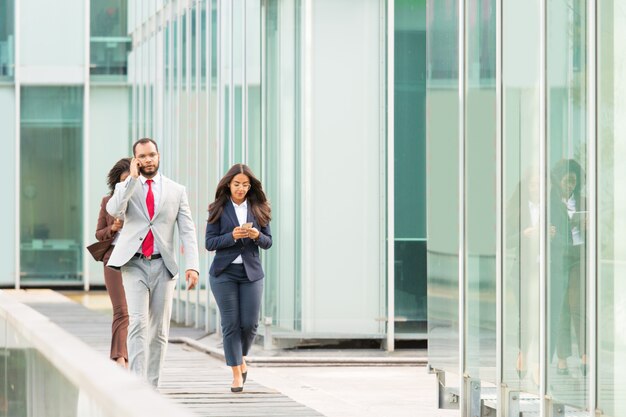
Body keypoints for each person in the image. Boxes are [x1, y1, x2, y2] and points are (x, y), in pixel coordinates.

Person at [106, 138, 200, 387]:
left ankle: (152, 387)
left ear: (158, 156)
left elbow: (187, 230)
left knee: (158, 331)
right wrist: (131, 179)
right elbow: (114, 209)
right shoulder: (127, 185)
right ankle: (138, 388)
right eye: (143, 156)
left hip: (163, 266)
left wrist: (192, 265)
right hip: (134, 263)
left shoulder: (176, 190)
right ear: (135, 159)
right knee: (138, 323)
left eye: (152, 155)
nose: (148, 160)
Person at [205, 164, 272, 392]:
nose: (241, 188)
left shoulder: (259, 207)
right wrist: (231, 236)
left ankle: (239, 358)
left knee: (250, 324)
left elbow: (268, 242)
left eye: (245, 184)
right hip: (224, 273)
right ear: (228, 185)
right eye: (237, 184)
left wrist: (257, 235)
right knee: (230, 324)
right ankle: (236, 372)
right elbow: (209, 243)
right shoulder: (218, 208)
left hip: (251, 273)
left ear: (250, 186)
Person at [95, 157, 131, 368]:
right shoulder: (107, 202)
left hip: (138, 258)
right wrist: (113, 229)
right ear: (116, 183)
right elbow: (99, 234)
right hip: (113, 258)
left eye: (130, 180)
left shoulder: (144, 203)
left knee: (138, 313)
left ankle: (133, 355)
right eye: (123, 181)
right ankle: (119, 358)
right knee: (121, 310)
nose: (126, 185)